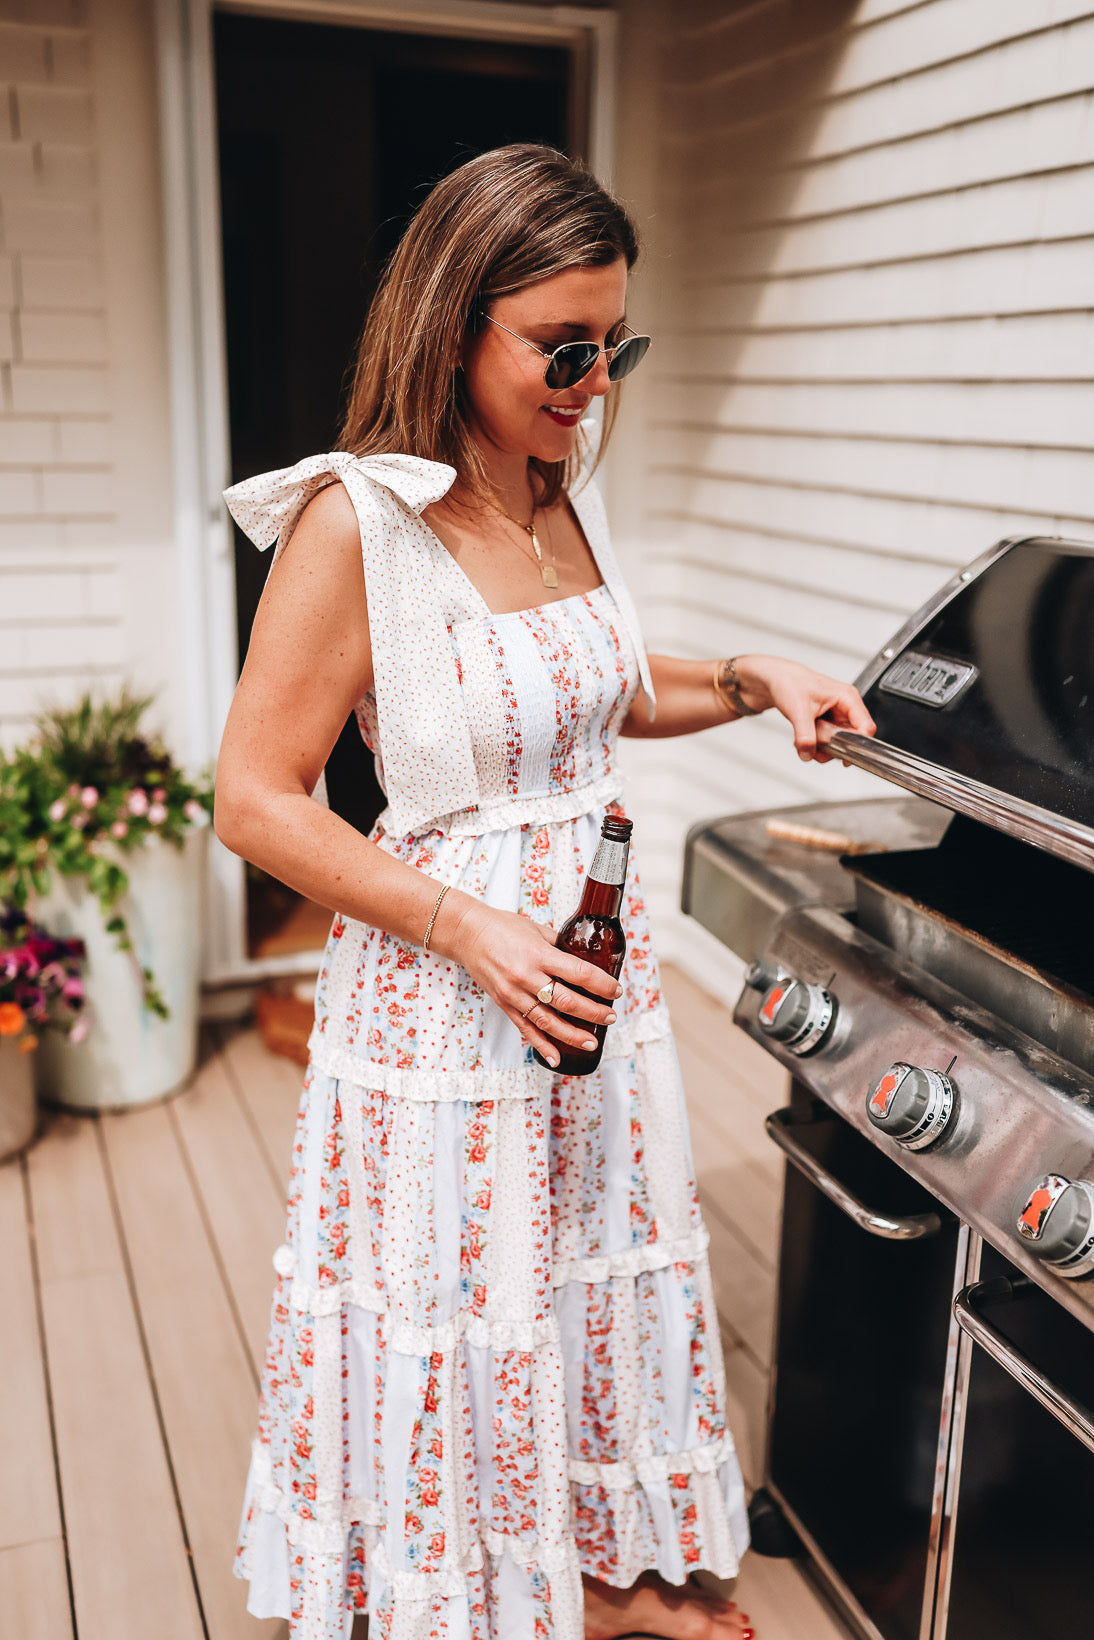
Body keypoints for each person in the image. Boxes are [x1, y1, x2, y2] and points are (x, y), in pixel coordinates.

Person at [215, 143, 876, 1640]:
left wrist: (751, 675)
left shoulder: (549, 492)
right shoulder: (357, 526)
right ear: (456, 328)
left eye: (612, 345)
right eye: (560, 348)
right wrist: (472, 927)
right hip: (451, 984)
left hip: (587, 971)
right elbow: (254, 797)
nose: (591, 379)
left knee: (573, 1263)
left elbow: (604, 695)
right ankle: (469, 1588)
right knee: (466, 1290)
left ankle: (586, 1574)